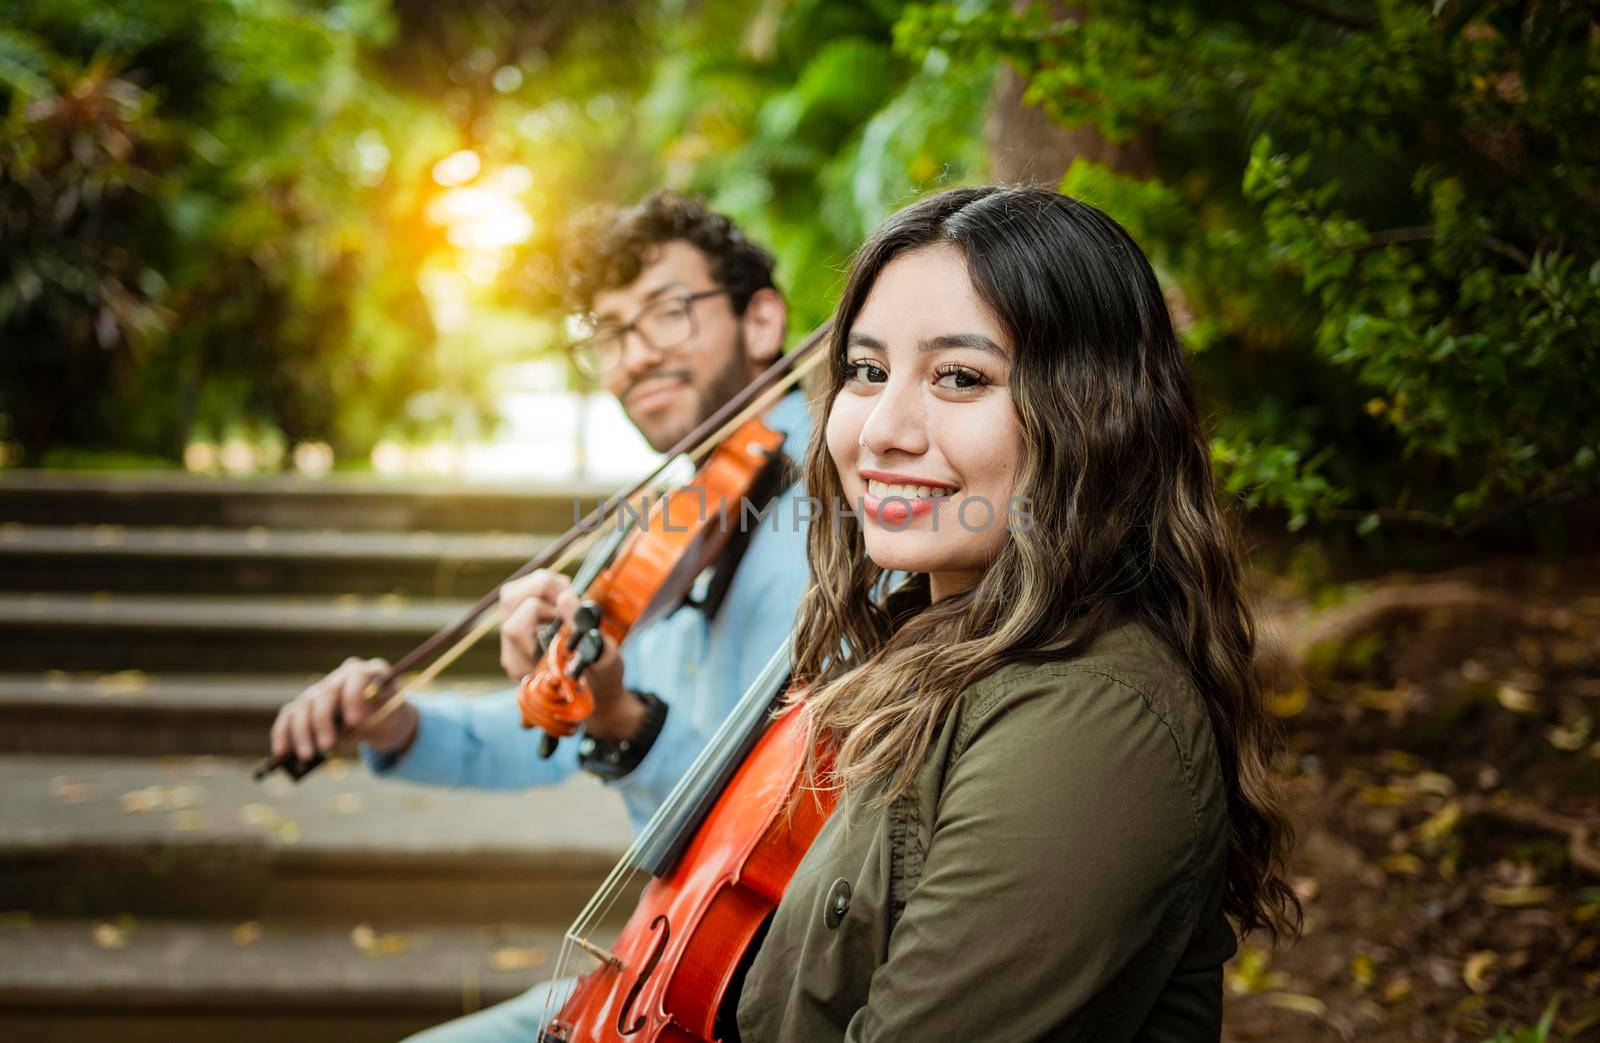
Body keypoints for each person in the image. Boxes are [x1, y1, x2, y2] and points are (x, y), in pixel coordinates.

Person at [731, 186, 1302, 1041]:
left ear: (1093, 417)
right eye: (866, 369)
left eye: (960, 376)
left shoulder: (1090, 719)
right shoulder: (925, 648)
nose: (884, 428)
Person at [268, 192, 814, 1042]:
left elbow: (780, 824)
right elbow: (541, 726)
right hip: (665, 950)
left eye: (669, 312)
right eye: (611, 331)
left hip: (758, 977)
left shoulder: (839, 502)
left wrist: (624, 721)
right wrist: (400, 723)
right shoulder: (687, 519)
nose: (636, 355)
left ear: (762, 319)